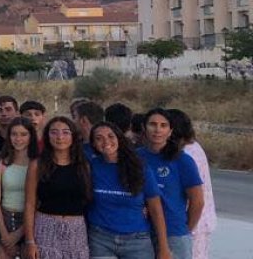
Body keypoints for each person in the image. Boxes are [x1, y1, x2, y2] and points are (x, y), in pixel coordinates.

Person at [86, 122, 170, 259]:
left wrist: (164, 247)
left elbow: (155, 208)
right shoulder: (91, 167)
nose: (106, 141)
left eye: (111, 136)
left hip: (137, 241)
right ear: (94, 144)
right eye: (99, 138)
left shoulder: (139, 167)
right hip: (100, 238)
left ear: (119, 138)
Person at [137, 109, 203, 259]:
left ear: (170, 131)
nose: (157, 130)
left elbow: (198, 202)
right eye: (152, 124)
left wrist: (184, 230)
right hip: (140, 233)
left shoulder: (182, 160)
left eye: (163, 125)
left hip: (173, 234)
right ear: (144, 127)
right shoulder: (135, 157)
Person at [22, 116, 90, 259]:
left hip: (76, 229)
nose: (60, 137)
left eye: (65, 132)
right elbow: (29, 204)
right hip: (45, 227)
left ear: (73, 136)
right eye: (54, 132)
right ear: (47, 136)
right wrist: (30, 241)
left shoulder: (84, 165)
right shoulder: (37, 165)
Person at [164, 109, 215, 259]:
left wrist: (186, 230)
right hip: (200, 222)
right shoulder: (194, 147)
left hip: (191, 223)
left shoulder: (185, 154)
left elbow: (196, 200)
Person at [0, 118, 36, 259]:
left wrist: (19, 233)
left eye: (23, 134)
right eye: (14, 134)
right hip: (4, 220)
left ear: (31, 136)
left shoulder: (38, 164)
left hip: (30, 222)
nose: (18, 139)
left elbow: (39, 201)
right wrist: (5, 235)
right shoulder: (1, 163)